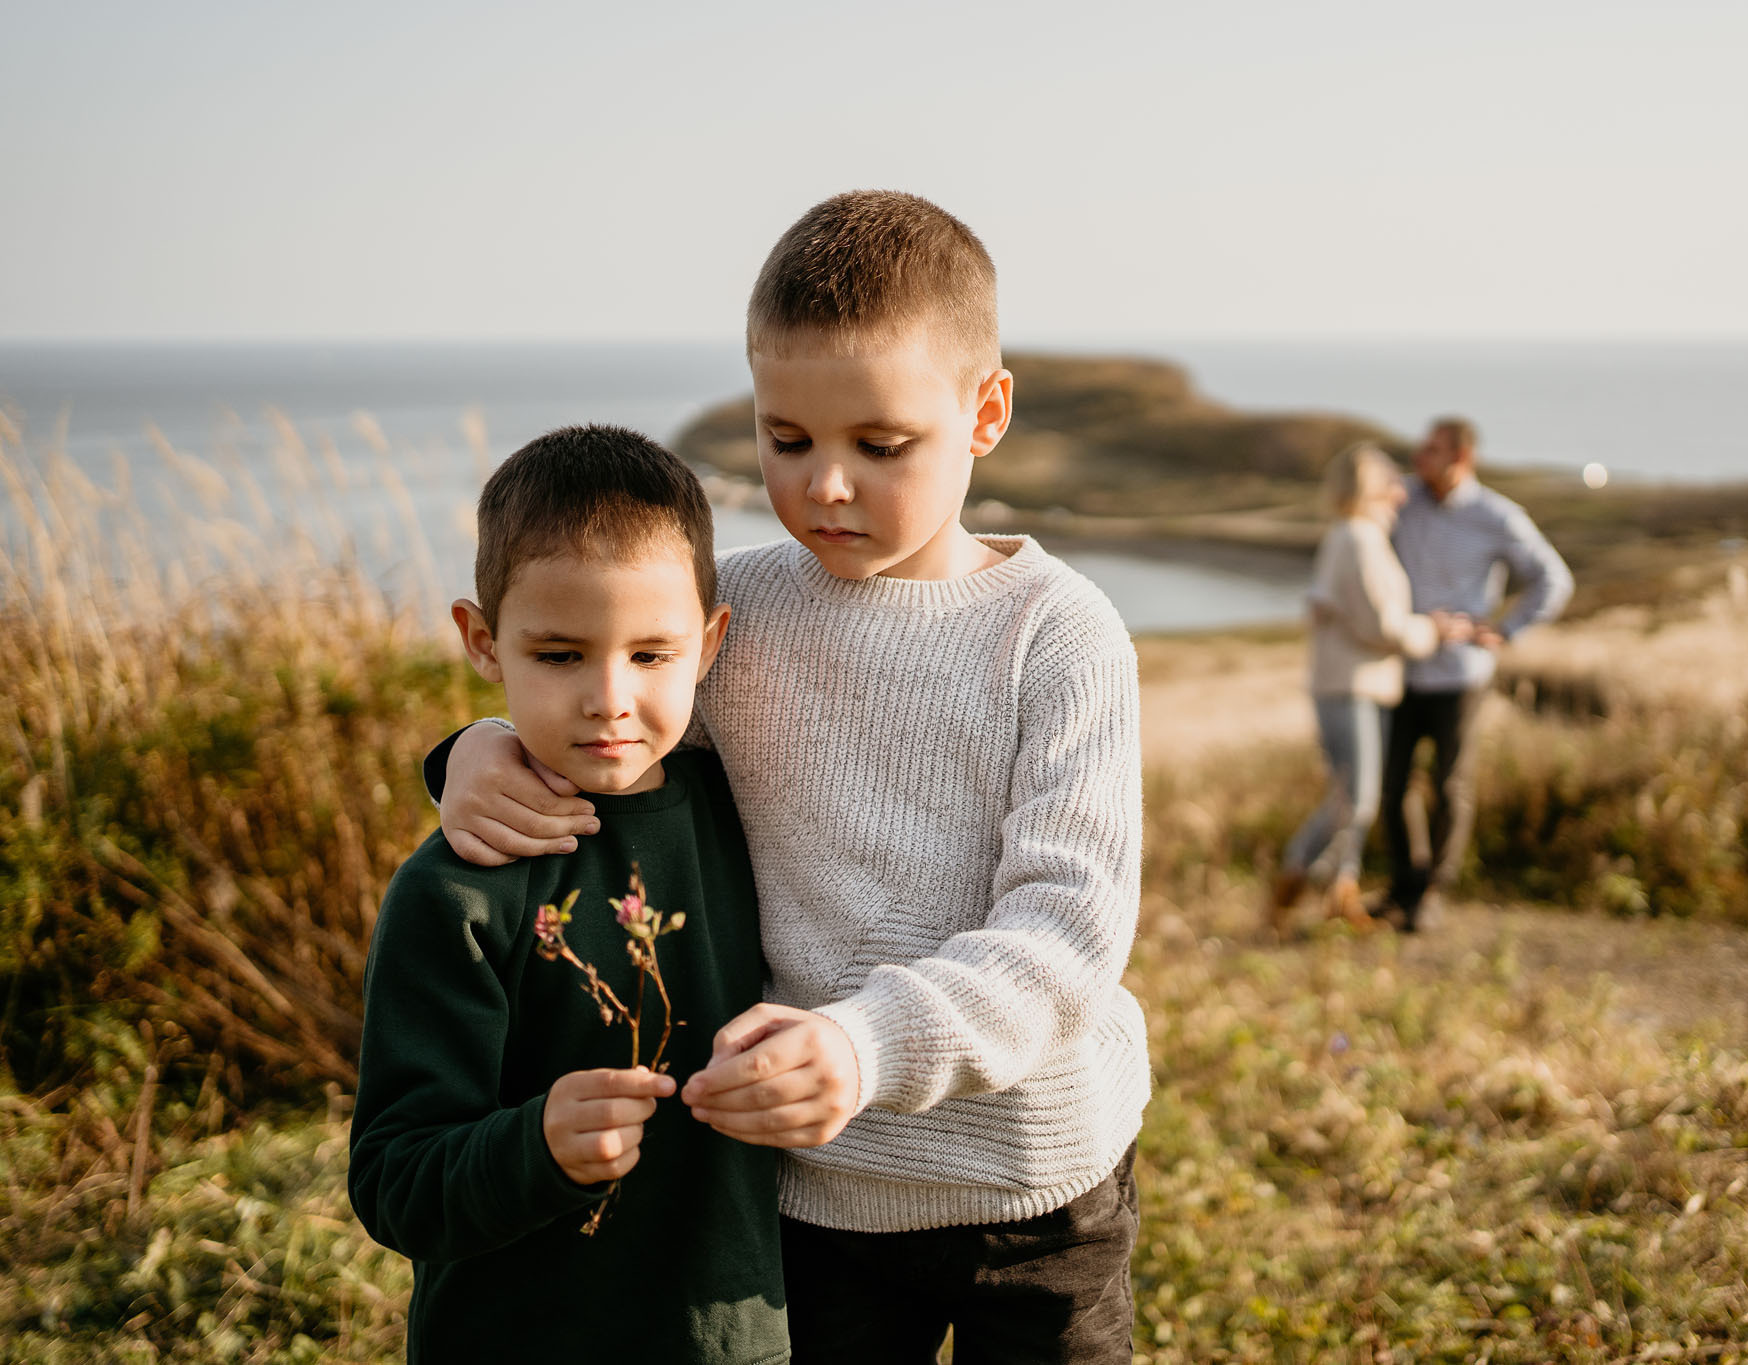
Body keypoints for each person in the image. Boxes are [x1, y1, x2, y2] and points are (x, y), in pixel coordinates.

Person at [428, 192, 1147, 1363]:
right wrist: (471, 751)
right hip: (811, 1189)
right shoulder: (739, 616)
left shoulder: (1057, 634)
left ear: (986, 412)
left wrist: (866, 1048)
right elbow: (614, 735)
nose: (823, 485)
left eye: (880, 445)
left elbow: (1067, 933)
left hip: (1034, 1182)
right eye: (785, 439)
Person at [347, 425, 789, 1364]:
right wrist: (534, 1147)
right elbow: (393, 1180)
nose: (608, 697)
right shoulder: (456, 890)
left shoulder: (754, 808)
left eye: (651, 654)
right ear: (481, 640)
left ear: (710, 644)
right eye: (557, 655)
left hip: (731, 1336)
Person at [1381, 416, 1573, 932]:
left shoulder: (1497, 516)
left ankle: (1433, 893)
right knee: (1392, 786)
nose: (1419, 455)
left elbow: (1553, 579)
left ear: (1461, 459)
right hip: (1402, 669)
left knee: (1449, 786)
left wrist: (1507, 630)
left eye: (1433, 449)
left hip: (1461, 675)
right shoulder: (1405, 503)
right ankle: (1403, 885)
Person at [1270, 444, 1469, 930]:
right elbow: (1381, 624)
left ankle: (1339, 889)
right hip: (1352, 685)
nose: (1403, 493)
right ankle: (1297, 875)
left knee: (1354, 794)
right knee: (1354, 797)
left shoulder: (1357, 537)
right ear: (1373, 490)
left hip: (1358, 683)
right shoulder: (1360, 539)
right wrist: (1434, 631)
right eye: (1393, 483)